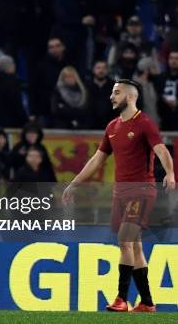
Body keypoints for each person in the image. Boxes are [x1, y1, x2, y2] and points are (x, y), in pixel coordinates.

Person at [62, 79, 175, 313]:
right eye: (112, 92)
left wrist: (171, 173)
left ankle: (121, 299)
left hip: (141, 190)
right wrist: (75, 183)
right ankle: (147, 302)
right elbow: (97, 159)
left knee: (124, 240)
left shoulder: (145, 123)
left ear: (131, 97)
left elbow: (161, 149)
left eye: (116, 92)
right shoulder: (112, 126)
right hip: (120, 193)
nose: (112, 97)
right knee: (134, 246)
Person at [0, 55, 28, 128]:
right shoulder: (12, 82)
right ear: (8, 66)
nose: (14, 66)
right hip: (11, 123)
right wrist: (25, 120)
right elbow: (16, 103)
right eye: (13, 64)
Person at [86, 60, 114, 129]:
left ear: (107, 70)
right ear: (93, 69)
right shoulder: (86, 86)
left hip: (109, 124)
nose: (101, 71)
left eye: (104, 68)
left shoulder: (114, 86)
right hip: (89, 125)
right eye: (98, 68)